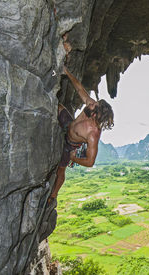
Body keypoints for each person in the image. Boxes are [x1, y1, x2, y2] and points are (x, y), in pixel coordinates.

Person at [48, 66, 114, 203]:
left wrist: (74, 158)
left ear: (96, 114)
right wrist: (67, 72)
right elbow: (79, 88)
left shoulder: (93, 134)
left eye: (93, 105)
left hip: (70, 145)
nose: (90, 103)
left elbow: (90, 162)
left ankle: (53, 195)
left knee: (61, 170)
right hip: (69, 126)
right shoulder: (92, 105)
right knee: (58, 106)